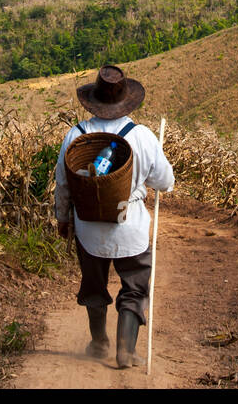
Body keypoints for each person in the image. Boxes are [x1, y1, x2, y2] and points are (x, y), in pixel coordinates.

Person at [55, 65, 174, 369]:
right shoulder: (143, 136)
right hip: (129, 225)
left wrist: (63, 219)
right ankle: (126, 350)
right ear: (126, 100)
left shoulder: (76, 134)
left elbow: (64, 184)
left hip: (88, 227)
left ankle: (98, 344)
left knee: (94, 285)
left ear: (93, 100)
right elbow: (165, 182)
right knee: (134, 286)